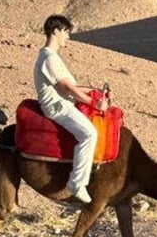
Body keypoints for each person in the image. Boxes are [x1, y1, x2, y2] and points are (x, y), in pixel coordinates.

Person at [35, 14, 106, 205]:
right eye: (66, 32)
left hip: (63, 103)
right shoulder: (49, 59)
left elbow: (69, 86)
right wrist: (94, 103)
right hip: (58, 107)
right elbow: (68, 89)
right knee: (89, 134)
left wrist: (94, 92)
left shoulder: (52, 58)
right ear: (56, 31)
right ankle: (77, 183)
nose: (68, 37)